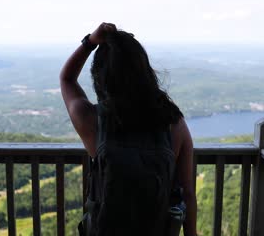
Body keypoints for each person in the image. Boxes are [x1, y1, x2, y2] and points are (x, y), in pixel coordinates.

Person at [60, 22, 197, 236]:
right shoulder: (174, 124)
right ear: (145, 71)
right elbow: (187, 192)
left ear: (101, 76)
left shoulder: (95, 123)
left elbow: (67, 79)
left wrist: (90, 42)